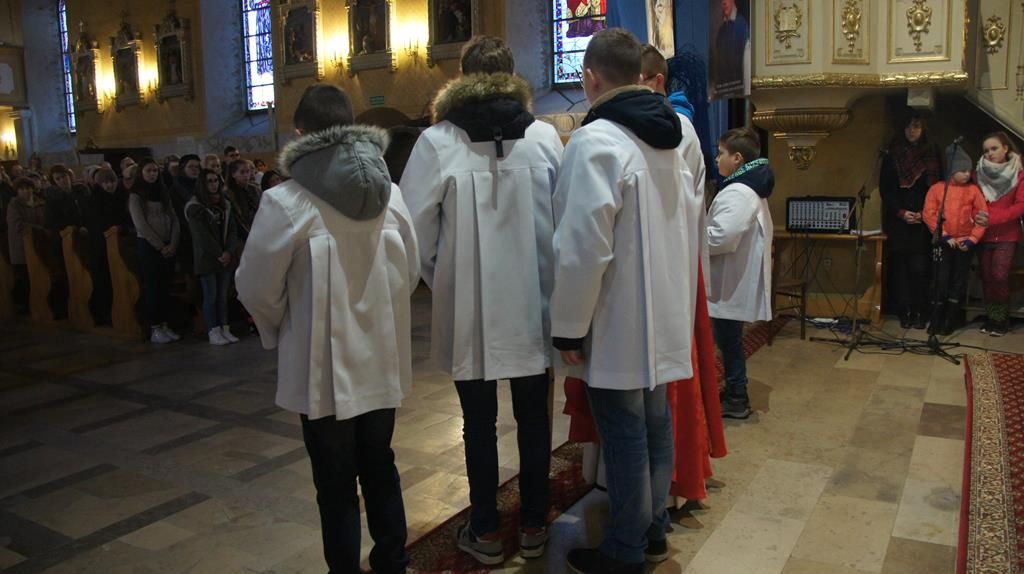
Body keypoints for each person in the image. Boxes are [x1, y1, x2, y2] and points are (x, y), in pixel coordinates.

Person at [236, 83, 419, 574]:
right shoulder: (391, 194)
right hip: (380, 360)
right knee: (380, 464)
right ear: (352, 128)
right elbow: (411, 272)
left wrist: (280, 326)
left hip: (322, 369)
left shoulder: (286, 202)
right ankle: (393, 561)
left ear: (300, 135)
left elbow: (255, 286)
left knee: (335, 483)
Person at [400, 35, 563, 564]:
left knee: (479, 423)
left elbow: (413, 233)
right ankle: (534, 523)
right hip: (535, 304)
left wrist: (446, 277)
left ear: (462, 76)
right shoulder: (543, 137)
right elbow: (565, 223)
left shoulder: (437, 142)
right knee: (534, 418)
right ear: (511, 75)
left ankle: (487, 530)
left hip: (470, 309)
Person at [549, 28, 695, 574]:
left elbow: (582, 245)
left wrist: (569, 325)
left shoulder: (596, 141)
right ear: (639, 75)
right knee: (655, 424)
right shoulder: (671, 137)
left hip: (616, 316)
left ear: (590, 77)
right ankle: (653, 530)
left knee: (626, 434)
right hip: (661, 309)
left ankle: (625, 549)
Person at [706, 127, 775, 419]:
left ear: (737, 158)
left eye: (720, 153)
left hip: (729, 280)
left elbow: (722, 237)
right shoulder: (748, 187)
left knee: (728, 342)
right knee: (729, 340)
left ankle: (737, 397)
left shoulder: (738, 191)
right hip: (733, 277)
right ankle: (735, 391)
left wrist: (689, 240)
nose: (716, 158)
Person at [879, 110, 942, 330]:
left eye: (916, 126)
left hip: (924, 221)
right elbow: (886, 190)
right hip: (899, 221)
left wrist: (925, 213)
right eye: (907, 127)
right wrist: (902, 212)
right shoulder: (892, 155)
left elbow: (938, 188)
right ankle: (904, 311)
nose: (911, 131)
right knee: (900, 269)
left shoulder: (932, 154)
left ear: (923, 128)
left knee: (920, 269)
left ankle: (920, 311)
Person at [922, 145, 988, 337]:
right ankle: (936, 318)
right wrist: (944, 235)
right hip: (944, 243)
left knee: (958, 282)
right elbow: (929, 214)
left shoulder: (973, 190)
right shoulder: (937, 189)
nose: (967, 174)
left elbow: (982, 216)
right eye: (963, 170)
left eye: (969, 170)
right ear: (952, 170)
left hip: (964, 244)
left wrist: (972, 239)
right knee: (940, 281)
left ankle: (951, 319)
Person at [975, 131, 1024, 336]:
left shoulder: (1019, 173)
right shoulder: (978, 173)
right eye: (986, 150)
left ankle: (1002, 320)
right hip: (983, 234)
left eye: (994, 148)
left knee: (999, 275)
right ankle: (992, 318)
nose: (989, 153)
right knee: (987, 277)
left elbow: (1020, 205)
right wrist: (975, 216)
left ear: (1005, 148)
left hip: (1007, 235)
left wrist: (993, 218)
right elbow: (973, 200)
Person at [128, 158, 181, 344]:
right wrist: (160, 246)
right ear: (141, 173)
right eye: (148, 171)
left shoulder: (163, 191)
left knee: (166, 287)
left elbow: (174, 218)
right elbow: (140, 224)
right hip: (149, 246)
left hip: (168, 244)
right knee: (153, 287)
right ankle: (155, 327)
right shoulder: (136, 195)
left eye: (155, 171)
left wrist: (173, 243)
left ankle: (165, 324)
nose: (152, 174)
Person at [186, 170, 242, 345]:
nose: (213, 184)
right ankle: (213, 330)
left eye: (216, 180)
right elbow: (201, 235)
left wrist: (229, 251)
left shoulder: (225, 204)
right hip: (208, 257)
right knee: (211, 295)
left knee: (223, 296)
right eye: (209, 181)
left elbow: (232, 230)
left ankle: (225, 327)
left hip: (226, 256)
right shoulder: (195, 207)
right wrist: (219, 253)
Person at [86, 167, 131, 325]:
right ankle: (105, 313)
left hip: (122, 241)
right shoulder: (94, 199)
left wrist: (123, 228)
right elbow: (95, 223)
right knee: (103, 279)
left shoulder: (122, 195)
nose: (110, 185)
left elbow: (127, 216)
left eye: (112, 181)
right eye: (105, 183)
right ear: (99, 184)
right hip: (100, 246)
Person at [6, 177, 46, 315]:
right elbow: (17, 224)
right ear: (17, 191)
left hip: (40, 245)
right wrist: (39, 229)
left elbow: (46, 220)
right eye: (22, 189)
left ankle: (40, 304)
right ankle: (24, 306)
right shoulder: (14, 205)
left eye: (28, 188)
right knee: (24, 277)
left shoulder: (40, 203)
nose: (26, 191)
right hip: (21, 246)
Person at [712, 0, 750, 98]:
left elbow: (746, 68)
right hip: (722, 94)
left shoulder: (743, 27)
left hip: (739, 95)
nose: (724, 3)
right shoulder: (721, 31)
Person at [224, 159, 261, 238]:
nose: (246, 175)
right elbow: (235, 219)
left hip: (258, 228)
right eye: (242, 172)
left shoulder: (255, 189)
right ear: (233, 174)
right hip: (241, 234)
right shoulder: (228, 194)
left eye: (248, 171)